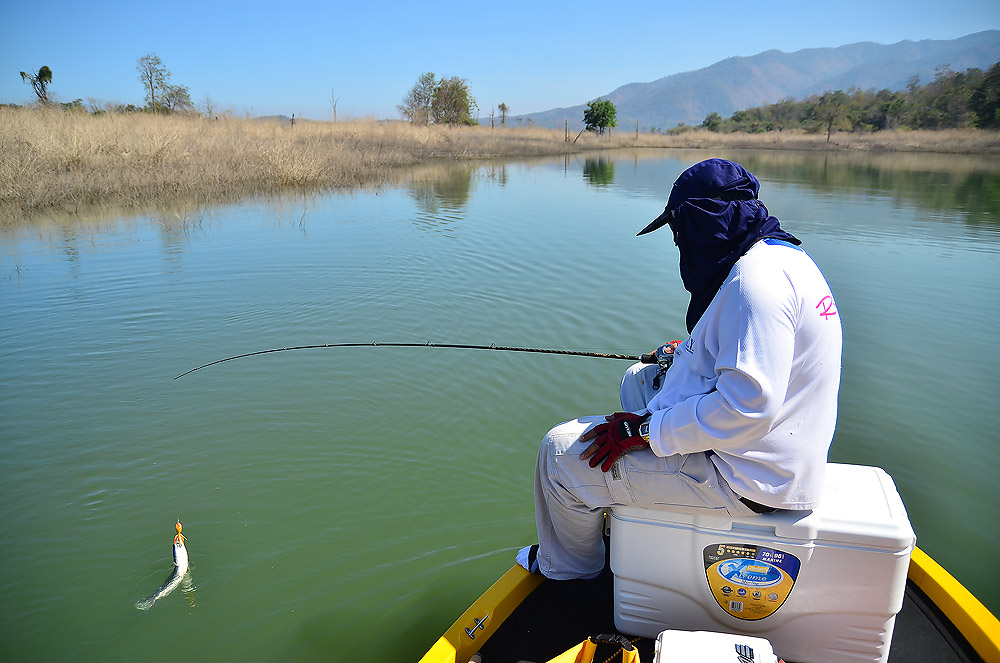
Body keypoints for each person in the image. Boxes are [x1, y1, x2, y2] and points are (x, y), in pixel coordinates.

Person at [517, 158, 842, 580]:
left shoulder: (755, 284)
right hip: (775, 455)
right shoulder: (784, 259)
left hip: (750, 480)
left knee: (560, 453)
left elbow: (748, 408)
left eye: (677, 229)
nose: (676, 243)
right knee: (640, 380)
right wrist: (687, 353)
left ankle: (570, 572)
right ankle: (633, 504)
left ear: (700, 223)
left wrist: (642, 433)